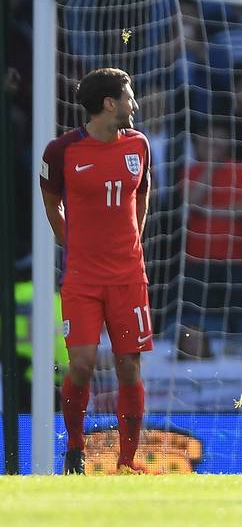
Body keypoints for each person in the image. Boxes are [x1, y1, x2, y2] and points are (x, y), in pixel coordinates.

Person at [40, 68, 151, 474]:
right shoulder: (60, 151)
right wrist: (70, 241)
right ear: (110, 104)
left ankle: (126, 463)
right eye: (129, 96)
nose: (134, 105)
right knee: (82, 364)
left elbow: (142, 193)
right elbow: (51, 201)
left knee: (128, 367)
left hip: (128, 277)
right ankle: (74, 447)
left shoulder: (139, 144)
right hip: (83, 278)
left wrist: (132, 242)